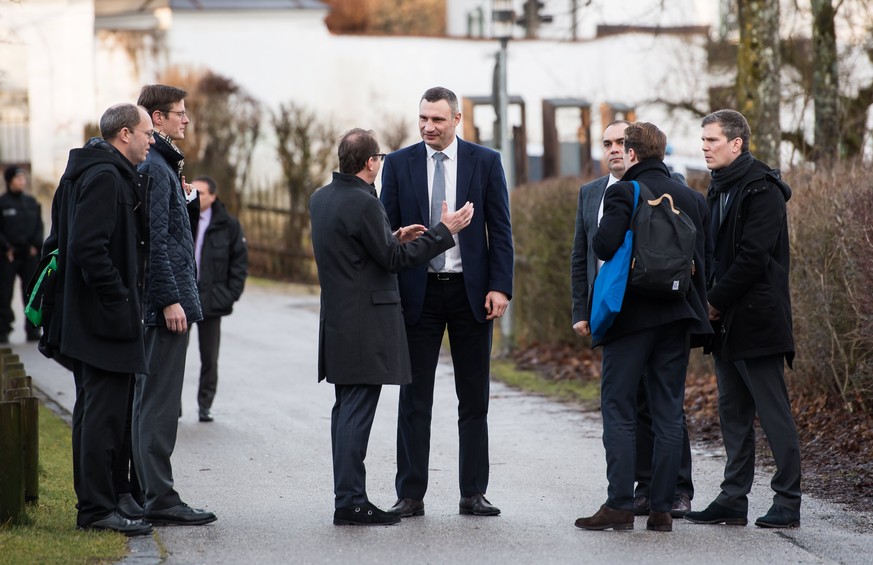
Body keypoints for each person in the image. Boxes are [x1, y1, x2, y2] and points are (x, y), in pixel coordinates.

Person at [310, 128, 474, 526]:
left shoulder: (322, 198)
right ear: (371, 162)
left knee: (344, 409)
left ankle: (347, 496)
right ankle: (351, 502)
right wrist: (443, 232)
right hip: (366, 323)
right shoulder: (365, 202)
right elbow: (391, 262)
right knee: (356, 412)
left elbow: (359, 251)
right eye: (379, 158)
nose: (381, 163)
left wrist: (393, 235)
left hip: (338, 319)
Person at [380, 86, 514, 518]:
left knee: (473, 398)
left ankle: (473, 492)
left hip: (470, 293)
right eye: (423, 118)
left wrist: (501, 286)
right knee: (413, 398)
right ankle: (410, 495)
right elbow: (386, 231)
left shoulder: (485, 161)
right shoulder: (398, 164)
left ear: (457, 120)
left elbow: (501, 230)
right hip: (417, 293)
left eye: (437, 119)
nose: (427, 127)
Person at [574, 122, 711, 532]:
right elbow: (703, 263)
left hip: (630, 317)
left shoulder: (623, 191)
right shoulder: (691, 197)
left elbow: (602, 245)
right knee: (669, 411)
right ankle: (662, 510)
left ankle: (618, 504)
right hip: (677, 314)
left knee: (619, 408)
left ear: (632, 153)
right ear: (662, 153)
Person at [684, 109, 801, 529]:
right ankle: (733, 499)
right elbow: (715, 255)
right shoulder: (718, 189)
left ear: (737, 143)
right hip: (725, 322)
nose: (704, 147)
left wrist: (712, 300)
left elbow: (754, 257)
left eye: (712, 140)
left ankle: (788, 501)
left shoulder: (762, 189)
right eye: (703, 140)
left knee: (773, 414)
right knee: (732, 413)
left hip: (757, 320)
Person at [42, 103, 154, 536]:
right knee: (101, 417)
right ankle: (95, 511)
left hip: (89, 318)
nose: (150, 141)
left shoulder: (90, 170)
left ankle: (104, 502)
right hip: (103, 320)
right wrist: (120, 298)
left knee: (95, 414)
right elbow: (89, 248)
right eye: (146, 133)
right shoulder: (106, 176)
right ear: (124, 134)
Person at [132, 84, 215, 526]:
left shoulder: (163, 166)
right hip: (165, 305)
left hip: (166, 300)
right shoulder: (157, 168)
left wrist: (188, 200)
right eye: (179, 114)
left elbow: (169, 230)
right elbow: (155, 244)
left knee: (151, 401)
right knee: (159, 405)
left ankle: (148, 491)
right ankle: (159, 498)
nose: (186, 120)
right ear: (156, 119)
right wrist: (169, 299)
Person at [190, 175, 248, 423]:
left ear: (213, 197)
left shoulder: (229, 225)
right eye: (192, 191)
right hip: (182, 295)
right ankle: (172, 406)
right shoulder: (182, 215)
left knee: (209, 357)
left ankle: (205, 405)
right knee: (173, 355)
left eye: (201, 193)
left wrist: (229, 295)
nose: (195, 196)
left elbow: (239, 263)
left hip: (211, 300)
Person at [0, 165, 44, 343]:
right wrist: (6, 247)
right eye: (18, 178)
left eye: (23, 178)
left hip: (29, 255)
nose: (22, 181)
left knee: (32, 293)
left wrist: (36, 246)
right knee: (4, 294)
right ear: (10, 181)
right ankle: (3, 330)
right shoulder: (2, 203)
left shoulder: (31, 202)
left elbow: (39, 227)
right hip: (8, 255)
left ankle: (33, 330)